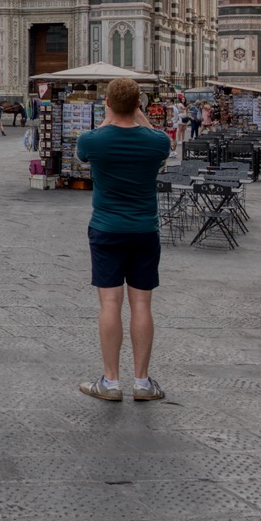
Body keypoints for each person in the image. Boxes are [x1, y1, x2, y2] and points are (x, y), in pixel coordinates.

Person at [75, 77, 173, 402]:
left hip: (106, 230)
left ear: (107, 104)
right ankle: (142, 383)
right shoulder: (157, 142)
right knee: (142, 304)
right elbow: (160, 138)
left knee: (110, 303)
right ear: (138, 105)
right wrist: (137, 114)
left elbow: (90, 145)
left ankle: (111, 381)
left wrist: (110, 115)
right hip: (145, 230)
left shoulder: (92, 141)